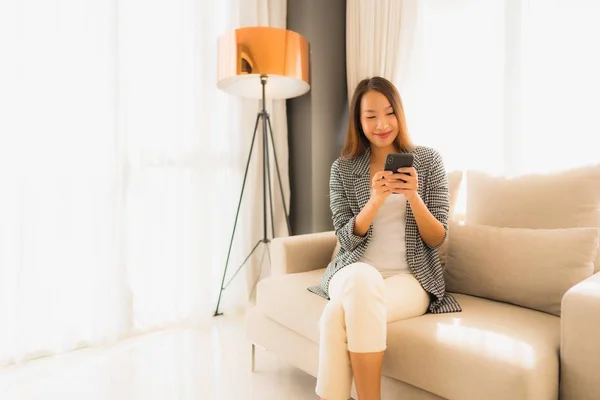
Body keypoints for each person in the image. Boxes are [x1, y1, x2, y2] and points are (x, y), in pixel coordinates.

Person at [307, 76, 462, 400]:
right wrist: (375, 200)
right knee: (362, 281)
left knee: (336, 316)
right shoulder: (343, 169)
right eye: (370, 116)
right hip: (352, 271)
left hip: (410, 279)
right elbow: (345, 240)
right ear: (358, 121)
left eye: (389, 113)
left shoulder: (429, 161)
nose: (381, 124)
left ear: (400, 114)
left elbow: (437, 239)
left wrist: (414, 197)